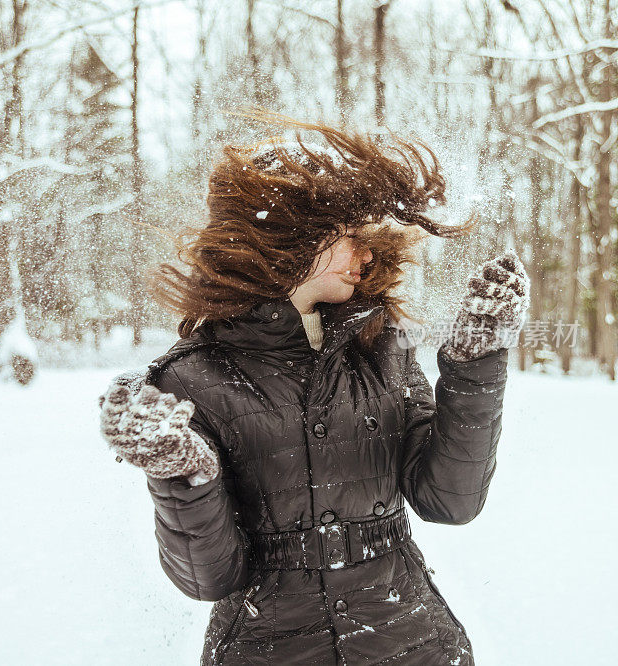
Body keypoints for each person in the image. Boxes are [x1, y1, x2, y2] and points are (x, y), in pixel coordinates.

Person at [98, 113, 529, 665]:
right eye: (352, 238)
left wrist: (477, 358)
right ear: (295, 235)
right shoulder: (191, 380)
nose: (366, 255)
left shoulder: (380, 347)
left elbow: (450, 499)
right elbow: (209, 578)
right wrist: (181, 472)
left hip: (413, 643)